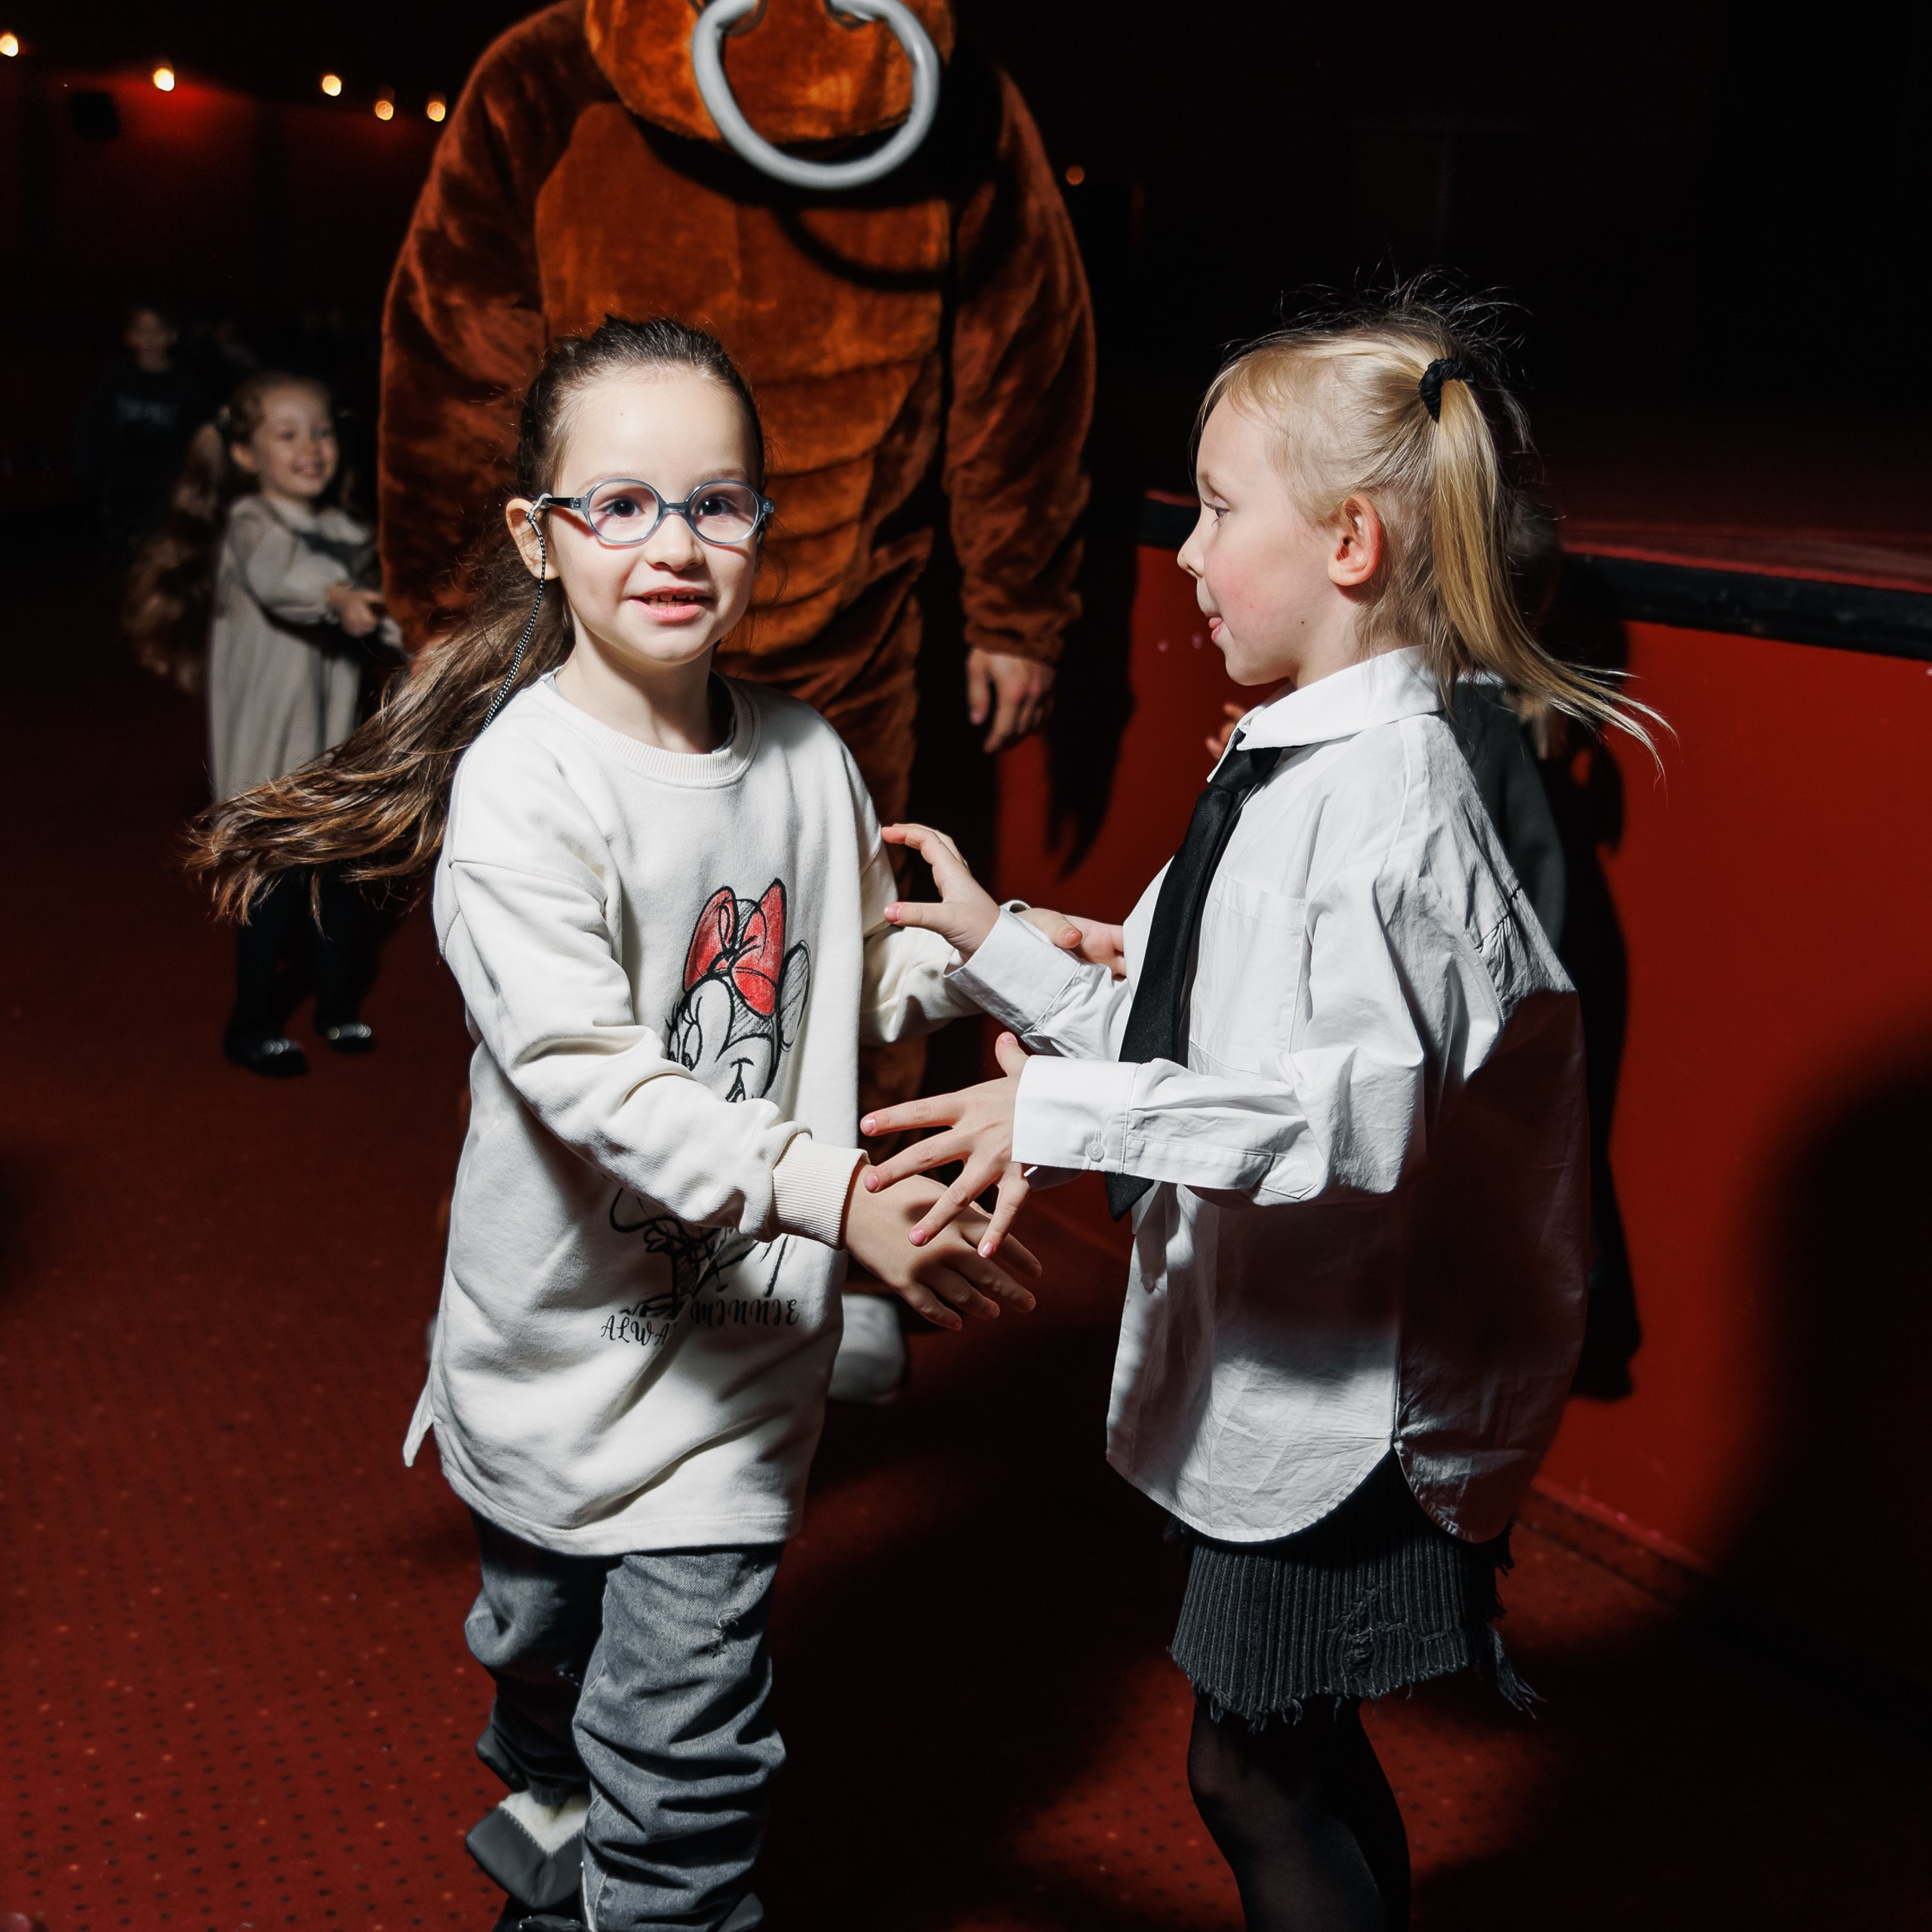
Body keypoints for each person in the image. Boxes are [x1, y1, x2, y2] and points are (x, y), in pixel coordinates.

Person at [191, 316, 1041, 1932]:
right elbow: (587, 1071)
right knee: (543, 1661)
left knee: (684, 1752)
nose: (674, 544)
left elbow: (831, 979)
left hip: (729, 1372)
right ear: (537, 533)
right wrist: (837, 1188)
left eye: (717, 503)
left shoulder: (804, 756)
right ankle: (551, 1799)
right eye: (622, 503)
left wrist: (984, 950)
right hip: (549, 1358)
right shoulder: (524, 791)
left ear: (764, 523)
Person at [859, 292, 1659, 1932]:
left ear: (1349, 541)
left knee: (1251, 1769)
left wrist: (1057, 1115)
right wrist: (994, 943)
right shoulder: (1291, 764)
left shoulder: (1386, 806)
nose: (1185, 554)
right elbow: (1182, 1027)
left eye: (1218, 511)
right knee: (1268, 1759)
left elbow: (1342, 1117)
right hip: (1289, 1366)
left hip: (1350, 1405)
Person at [127, 371, 396, 1075]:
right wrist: (339, 595)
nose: (312, 447)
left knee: (339, 893)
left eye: (323, 430)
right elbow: (287, 578)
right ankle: (250, 1026)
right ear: (246, 455)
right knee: (271, 901)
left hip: (331, 758)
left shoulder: (346, 530)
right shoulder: (253, 525)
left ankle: (337, 1008)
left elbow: (376, 615)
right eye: (287, 434)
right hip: (272, 764)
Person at [74, 300, 212, 562]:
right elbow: (90, 423)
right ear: (130, 336)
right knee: (124, 554)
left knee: (163, 552)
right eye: (142, 331)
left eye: (157, 330)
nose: (150, 339)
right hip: (122, 482)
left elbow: (200, 433)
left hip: (165, 482)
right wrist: (90, 469)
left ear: (172, 335)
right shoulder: (115, 377)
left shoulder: (186, 383)